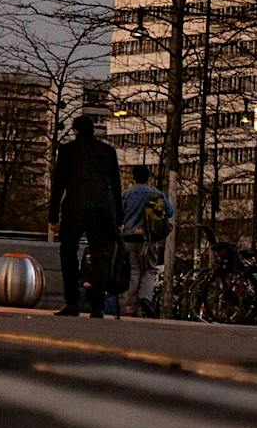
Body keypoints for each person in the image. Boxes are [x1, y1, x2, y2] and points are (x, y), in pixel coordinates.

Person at [48, 113, 124, 318]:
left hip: (75, 206)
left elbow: (59, 184)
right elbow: (116, 186)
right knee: (100, 257)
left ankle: (72, 302)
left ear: (75, 130)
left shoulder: (67, 151)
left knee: (68, 253)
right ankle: (98, 306)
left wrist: (52, 216)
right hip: (103, 208)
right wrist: (119, 219)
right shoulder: (108, 151)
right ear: (93, 130)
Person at [119, 162, 174, 316]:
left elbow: (119, 214)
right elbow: (170, 212)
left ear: (134, 177)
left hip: (129, 237)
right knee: (149, 269)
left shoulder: (127, 194)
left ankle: (130, 306)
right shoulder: (155, 194)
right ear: (148, 177)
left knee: (134, 270)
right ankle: (145, 299)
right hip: (148, 238)